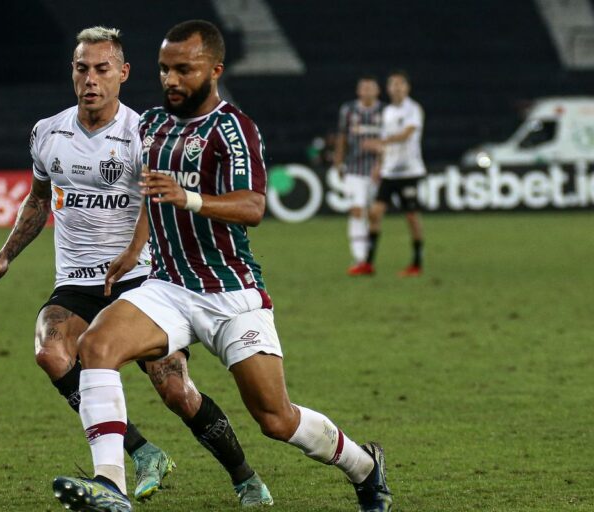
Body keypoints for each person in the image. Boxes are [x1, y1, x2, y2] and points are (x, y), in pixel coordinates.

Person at [51, 21, 392, 512]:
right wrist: (135, 247)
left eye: (183, 70)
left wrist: (187, 197)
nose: (171, 79)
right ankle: (112, 486)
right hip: (167, 286)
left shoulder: (234, 129)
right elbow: (152, 192)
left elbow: (253, 206)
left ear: (214, 70)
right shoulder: (152, 125)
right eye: (165, 69)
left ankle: (364, 465)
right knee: (96, 347)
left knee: (276, 419)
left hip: (230, 293)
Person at [0, 26, 272, 507]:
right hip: (76, 280)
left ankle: (244, 476)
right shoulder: (47, 133)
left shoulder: (143, 132)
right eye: (81, 68)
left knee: (176, 391)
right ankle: (141, 453)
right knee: (51, 352)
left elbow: (156, 203)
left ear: (123, 74)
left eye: (102, 69)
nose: (90, 79)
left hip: (140, 280)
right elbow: (38, 200)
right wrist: (4, 255)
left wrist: (134, 252)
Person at [362, 71, 425, 277]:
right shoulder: (387, 111)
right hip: (389, 172)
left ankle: (416, 262)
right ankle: (368, 263)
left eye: (400, 84)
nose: (397, 88)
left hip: (409, 171)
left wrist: (381, 143)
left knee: (411, 216)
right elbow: (386, 143)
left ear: (407, 87)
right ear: (388, 89)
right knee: (375, 213)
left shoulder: (413, 109)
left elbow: (407, 134)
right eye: (393, 84)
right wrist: (378, 166)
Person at [336, 76, 385, 276]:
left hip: (378, 171)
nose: (366, 91)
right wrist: (338, 161)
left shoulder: (385, 112)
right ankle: (359, 258)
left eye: (370, 88)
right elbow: (342, 137)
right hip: (354, 169)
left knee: (374, 214)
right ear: (358, 91)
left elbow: (391, 141)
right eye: (363, 87)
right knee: (357, 211)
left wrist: (381, 160)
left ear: (377, 91)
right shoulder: (348, 111)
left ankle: (369, 257)